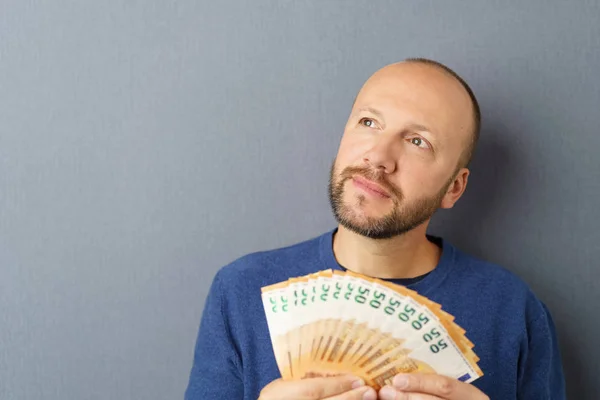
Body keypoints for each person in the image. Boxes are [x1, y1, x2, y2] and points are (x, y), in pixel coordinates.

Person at [184, 58, 566, 400]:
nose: (379, 157)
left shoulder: (514, 310)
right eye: (369, 122)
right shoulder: (241, 291)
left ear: (454, 187)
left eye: (418, 141)